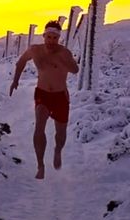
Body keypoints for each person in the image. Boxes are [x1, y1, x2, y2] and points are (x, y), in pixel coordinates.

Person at [9, 20, 79, 179]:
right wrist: (15, 81)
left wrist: (65, 61)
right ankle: (40, 164)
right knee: (39, 125)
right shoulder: (35, 50)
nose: (51, 41)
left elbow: (75, 70)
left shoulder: (64, 52)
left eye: (55, 38)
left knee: (60, 132)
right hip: (43, 94)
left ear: (59, 38)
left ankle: (58, 150)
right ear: (44, 36)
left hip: (60, 96)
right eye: (49, 37)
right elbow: (20, 62)